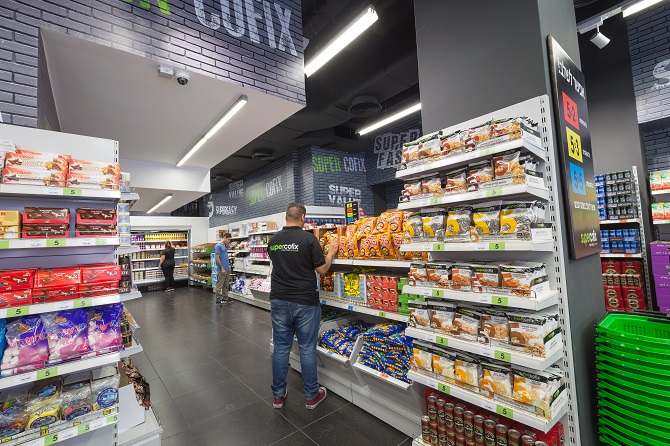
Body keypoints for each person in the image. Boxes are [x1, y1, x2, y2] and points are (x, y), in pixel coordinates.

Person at [268, 203, 338, 410]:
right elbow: (322, 269)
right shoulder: (308, 239)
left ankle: (278, 396)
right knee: (307, 347)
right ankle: (311, 395)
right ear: (303, 218)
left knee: (281, 348)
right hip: (305, 301)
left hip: (279, 299)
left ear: (286, 217)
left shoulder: (273, 240)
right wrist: (331, 252)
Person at [214, 233, 232, 306]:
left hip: (227, 268)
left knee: (226, 284)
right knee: (219, 285)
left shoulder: (224, 245)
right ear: (224, 237)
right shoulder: (218, 246)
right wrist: (222, 268)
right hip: (222, 269)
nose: (229, 241)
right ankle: (218, 300)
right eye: (228, 239)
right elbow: (217, 258)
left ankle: (225, 298)